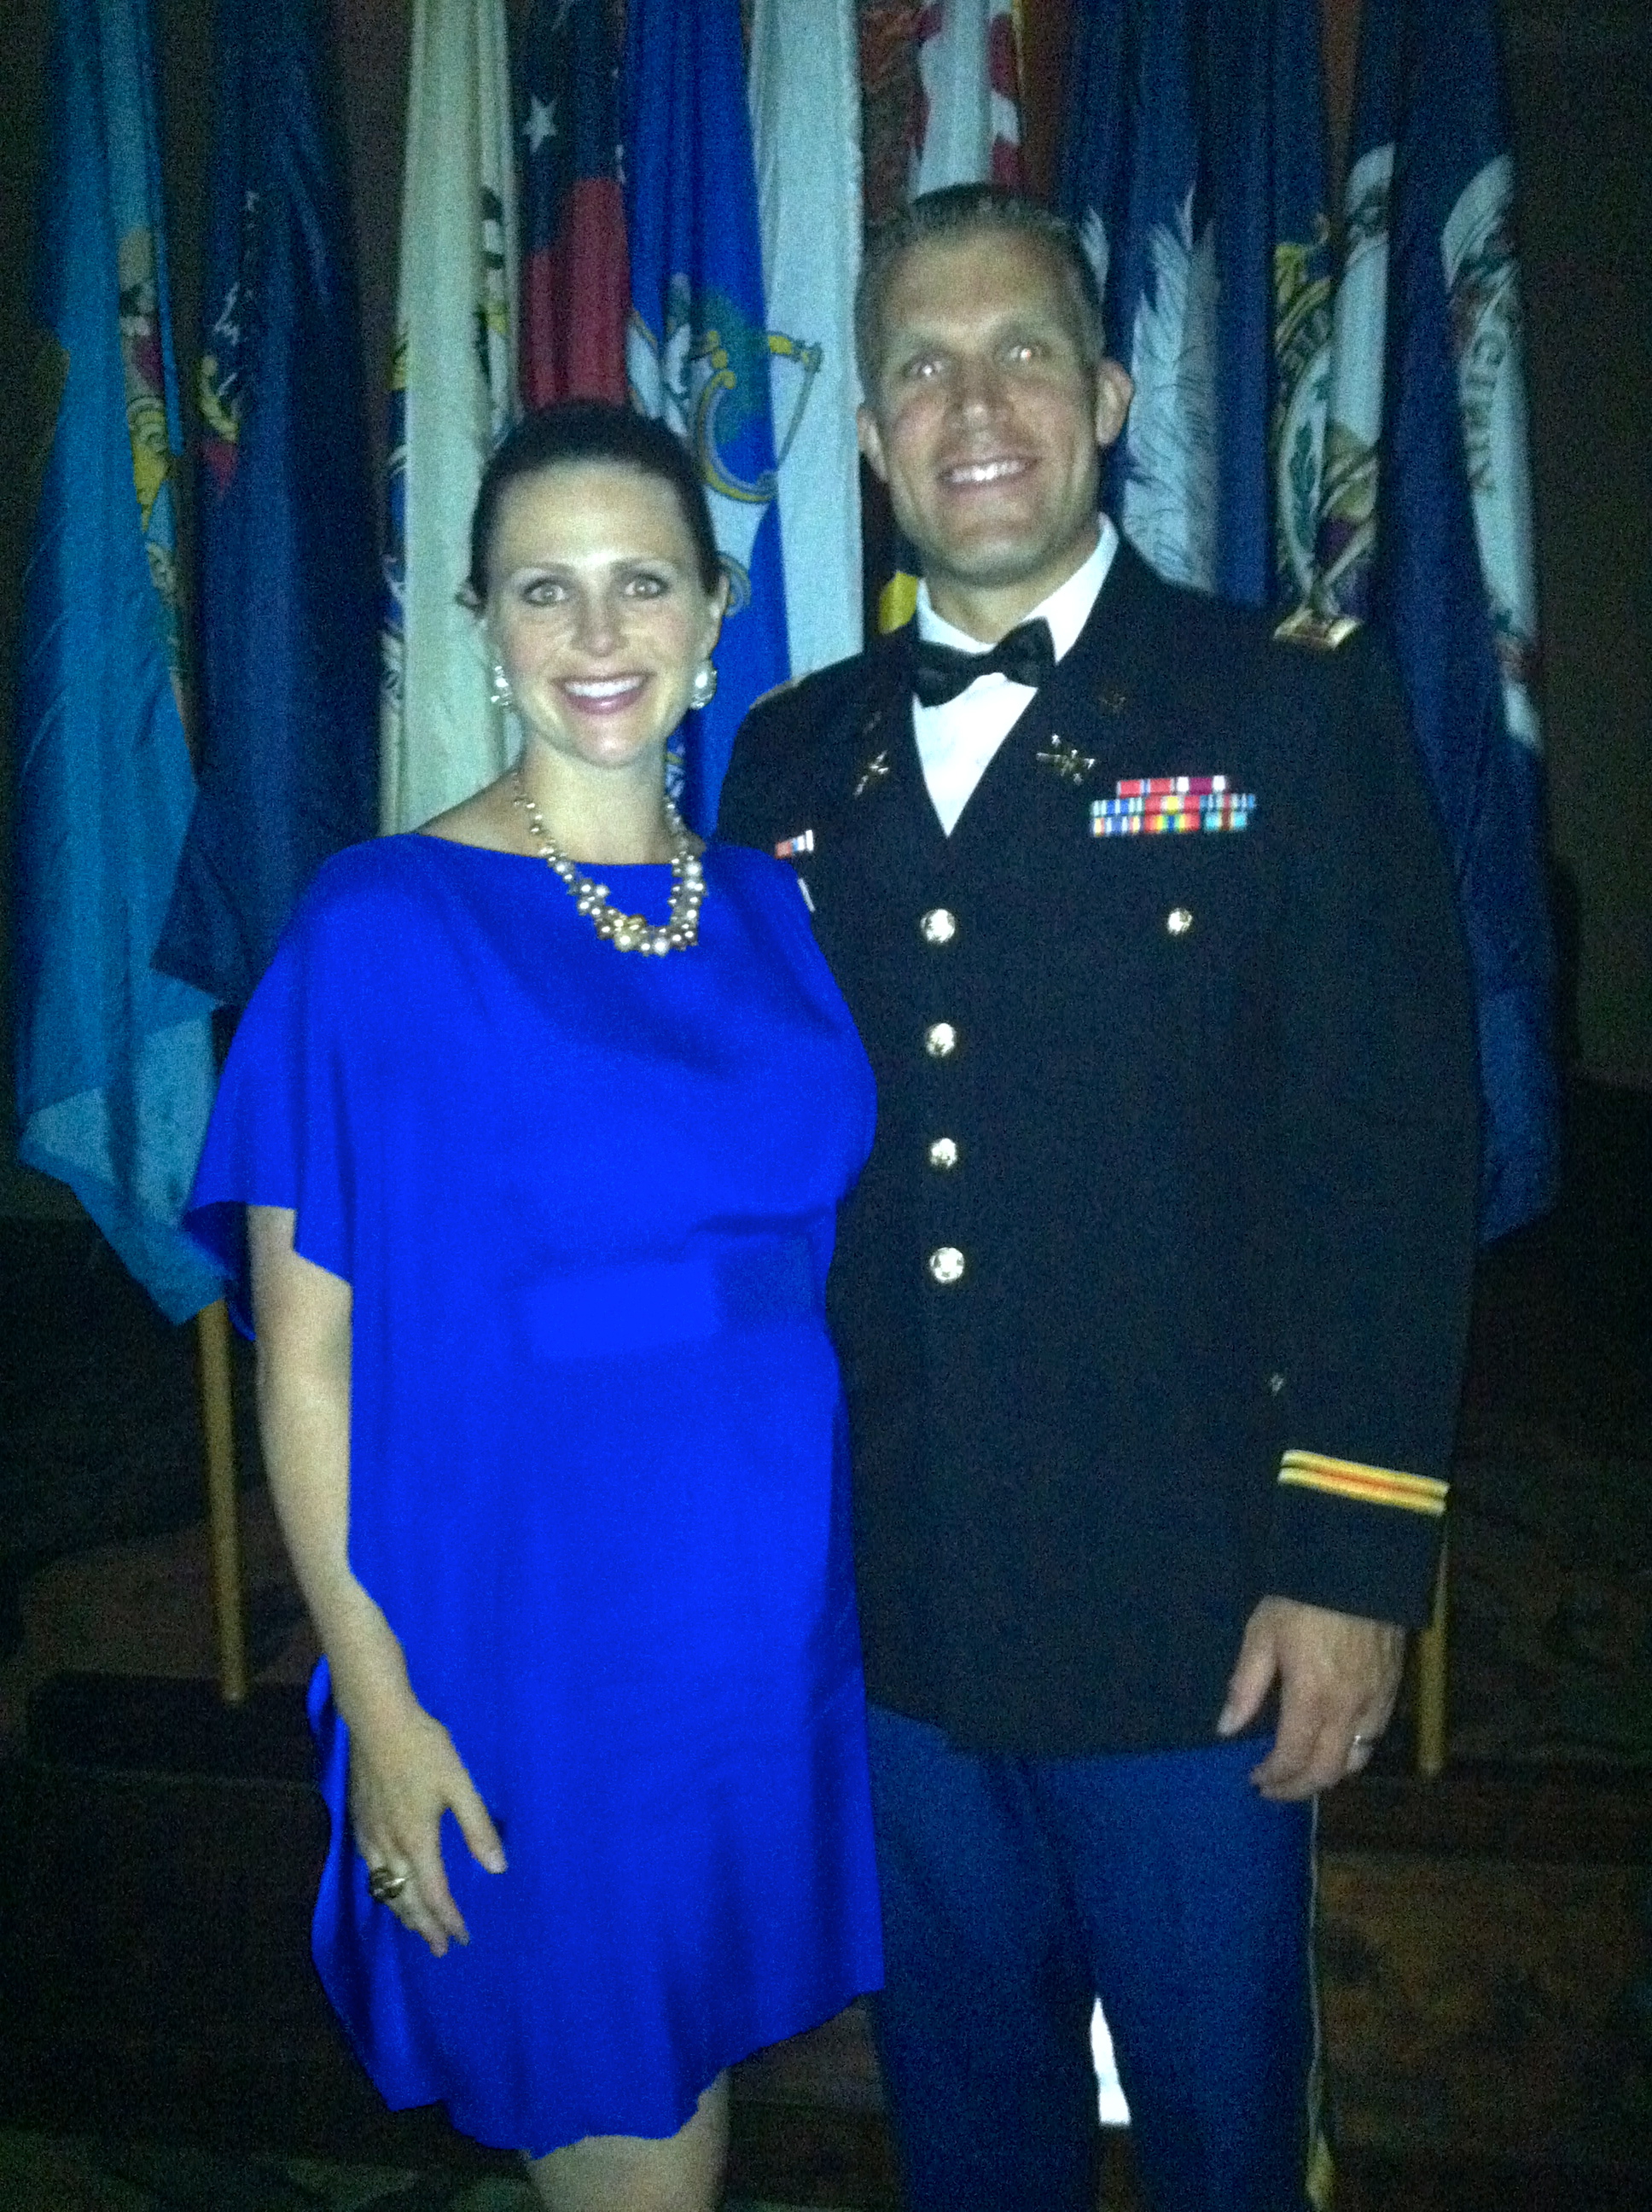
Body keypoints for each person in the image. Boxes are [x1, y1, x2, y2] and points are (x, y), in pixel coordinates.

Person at [718, 185, 1480, 2212]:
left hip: (1189, 1614)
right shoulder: (785, 763)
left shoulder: (1280, 711)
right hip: (892, 1600)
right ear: (869, 437)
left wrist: (1350, 1561)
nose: (974, 407)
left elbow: (1388, 1163)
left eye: (1022, 353)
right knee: (963, 2129)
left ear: (1110, 394)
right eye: (921, 368)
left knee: (1223, 2126)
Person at [186, 400, 882, 2212]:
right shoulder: (379, 928)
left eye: (641, 582)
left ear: (713, 612)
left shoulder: (772, 909)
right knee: (620, 2107)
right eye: (542, 589)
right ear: (483, 627)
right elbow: (309, 1362)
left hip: (768, 1623)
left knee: (689, 2074)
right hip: (539, 1643)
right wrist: (379, 1701)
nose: (596, 634)